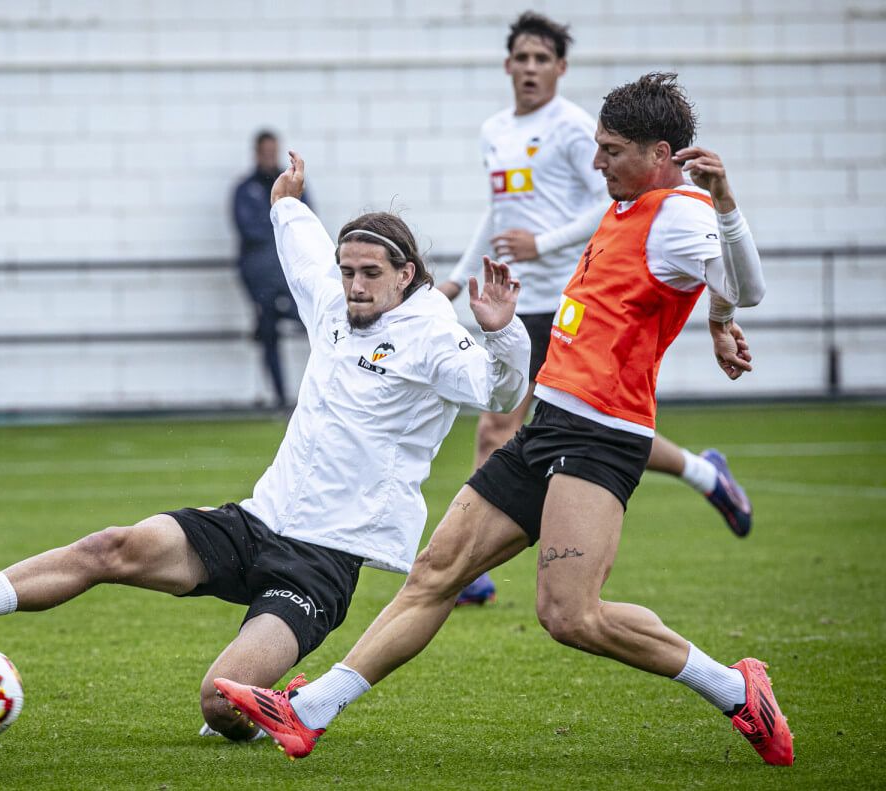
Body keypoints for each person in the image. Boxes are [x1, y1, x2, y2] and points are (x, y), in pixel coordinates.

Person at [216, 73, 794, 767]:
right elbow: (710, 288)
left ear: (659, 151)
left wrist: (727, 216)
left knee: (570, 616)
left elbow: (745, 283)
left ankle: (737, 689)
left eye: (610, 150)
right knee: (435, 571)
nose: (596, 162)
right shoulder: (624, 206)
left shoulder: (682, 210)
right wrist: (718, 324)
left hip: (602, 437)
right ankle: (308, 711)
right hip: (547, 424)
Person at [0, 150, 531, 743]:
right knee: (112, 545)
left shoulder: (432, 334)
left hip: (323, 562)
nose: (355, 284)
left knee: (219, 705)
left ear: (405, 274)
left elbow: (499, 396)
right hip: (257, 521)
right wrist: (284, 200)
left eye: (370, 273)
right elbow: (301, 246)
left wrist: (504, 336)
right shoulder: (334, 301)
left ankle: (280, 703)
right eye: (348, 271)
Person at [443, 15, 750, 607]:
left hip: (564, 294)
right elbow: (498, 209)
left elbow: (608, 208)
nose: (530, 68)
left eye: (542, 58)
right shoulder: (494, 130)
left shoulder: (578, 128)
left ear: (561, 67)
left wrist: (545, 245)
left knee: (506, 423)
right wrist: (458, 277)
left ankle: (467, 571)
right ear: (507, 65)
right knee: (555, 423)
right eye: (521, 57)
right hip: (513, 295)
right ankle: (705, 473)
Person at [232, 130, 308, 409]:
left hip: (288, 275)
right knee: (268, 331)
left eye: (272, 151)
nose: (268, 156)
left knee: (310, 323)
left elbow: (304, 221)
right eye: (264, 151)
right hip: (259, 277)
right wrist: (278, 221)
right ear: (256, 152)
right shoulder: (245, 189)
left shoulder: (292, 183)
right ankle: (279, 398)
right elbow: (249, 231)